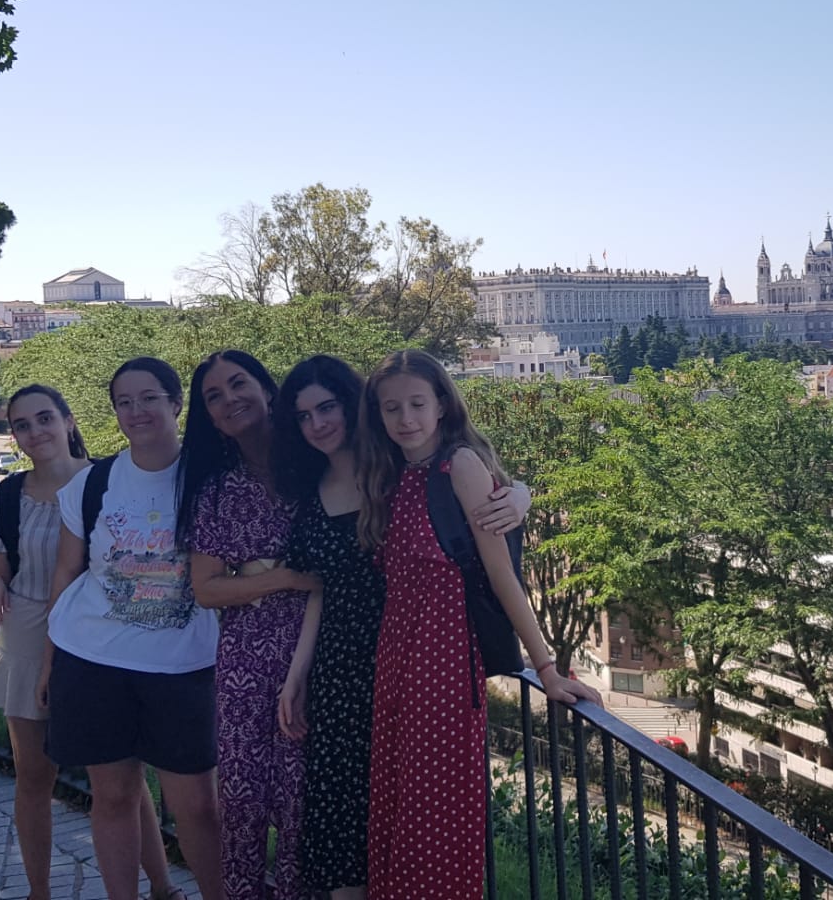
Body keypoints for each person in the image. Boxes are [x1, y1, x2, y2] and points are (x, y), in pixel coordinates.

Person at [273, 355, 531, 900]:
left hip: (419, 664)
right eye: (303, 415)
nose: (318, 423)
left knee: (417, 819)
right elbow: (323, 587)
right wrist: (298, 675)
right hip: (351, 672)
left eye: (327, 408)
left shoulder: (402, 468)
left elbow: (482, 514)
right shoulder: (338, 483)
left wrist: (519, 494)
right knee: (356, 826)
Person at [356, 349, 597, 900]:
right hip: (397, 661)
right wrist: (522, 491)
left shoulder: (458, 465)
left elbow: (501, 575)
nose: (406, 419)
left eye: (417, 404)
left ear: (442, 404)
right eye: (392, 408)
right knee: (399, 806)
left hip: (440, 663)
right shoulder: (392, 472)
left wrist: (546, 667)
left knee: (431, 814)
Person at [0, 385, 184, 900]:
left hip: (99, 639)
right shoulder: (9, 495)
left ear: (68, 421)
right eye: (22, 425)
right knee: (33, 777)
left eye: (45, 418)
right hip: (27, 636)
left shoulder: (107, 481)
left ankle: (162, 887)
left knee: (121, 779)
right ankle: (39, 892)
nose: (35, 432)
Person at [39, 358, 225, 900]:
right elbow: (66, 574)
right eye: (124, 402)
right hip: (92, 659)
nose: (136, 411)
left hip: (183, 665)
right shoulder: (92, 484)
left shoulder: (211, 479)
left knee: (199, 806)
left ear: (176, 403)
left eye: (149, 398)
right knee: (114, 796)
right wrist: (49, 662)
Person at [178, 350, 318, 900]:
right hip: (245, 666)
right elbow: (206, 588)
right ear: (210, 417)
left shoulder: (317, 465)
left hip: (321, 653)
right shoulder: (216, 491)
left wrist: (514, 494)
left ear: (267, 389)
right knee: (241, 803)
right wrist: (285, 577)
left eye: (238, 384)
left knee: (305, 802)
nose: (229, 400)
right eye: (214, 396)